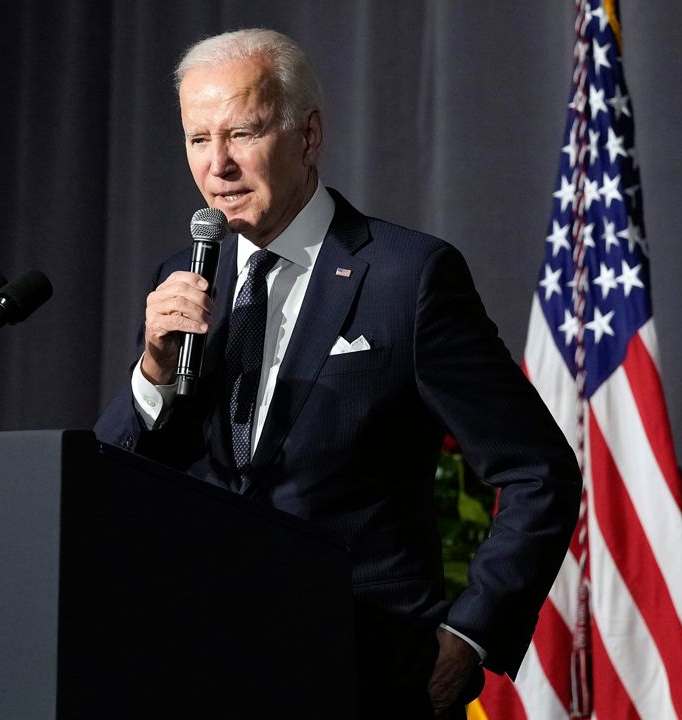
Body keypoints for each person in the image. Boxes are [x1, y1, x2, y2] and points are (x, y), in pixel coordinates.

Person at [94, 27, 581, 718]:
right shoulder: (183, 276)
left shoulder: (405, 278)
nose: (218, 166)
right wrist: (152, 371)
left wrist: (469, 636)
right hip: (205, 670)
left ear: (308, 135)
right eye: (199, 140)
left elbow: (539, 471)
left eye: (243, 133)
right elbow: (112, 481)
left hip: (366, 674)